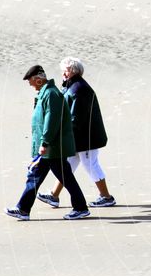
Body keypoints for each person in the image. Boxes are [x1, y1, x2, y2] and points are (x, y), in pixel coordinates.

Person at [5, 65, 91, 220]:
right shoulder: (44, 94)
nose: (30, 85)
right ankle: (23, 209)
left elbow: (51, 121)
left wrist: (44, 143)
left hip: (53, 147)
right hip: (49, 148)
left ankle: (80, 208)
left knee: (65, 178)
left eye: (31, 81)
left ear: (38, 79)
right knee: (35, 177)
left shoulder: (51, 94)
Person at [36, 57, 116, 208]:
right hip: (79, 137)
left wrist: (62, 134)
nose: (63, 74)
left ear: (72, 71)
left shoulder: (79, 89)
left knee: (90, 165)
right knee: (67, 166)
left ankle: (106, 197)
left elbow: (75, 118)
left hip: (86, 138)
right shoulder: (73, 86)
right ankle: (54, 195)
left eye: (65, 70)